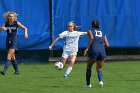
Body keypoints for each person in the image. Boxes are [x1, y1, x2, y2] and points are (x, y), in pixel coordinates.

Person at [84, 20, 109, 87]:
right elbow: (107, 44)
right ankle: (101, 81)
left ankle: (88, 84)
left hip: (93, 50)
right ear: (99, 24)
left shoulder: (90, 30)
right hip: (102, 51)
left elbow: (92, 37)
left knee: (89, 67)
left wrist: (87, 48)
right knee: (99, 68)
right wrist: (101, 47)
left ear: (92, 25)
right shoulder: (103, 32)